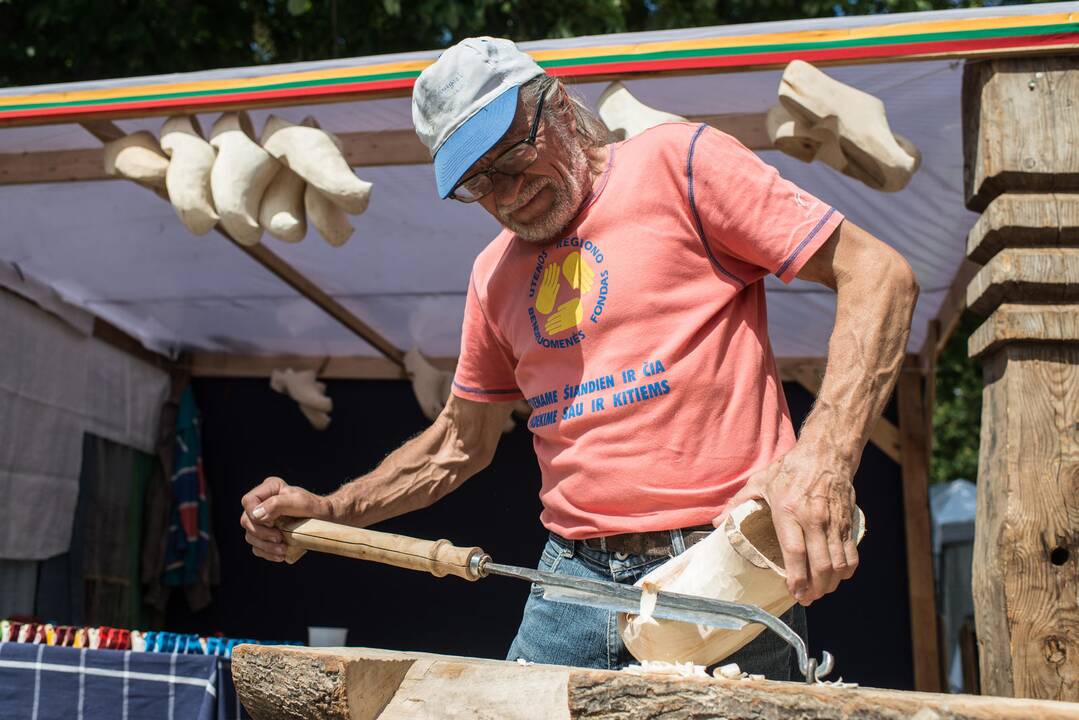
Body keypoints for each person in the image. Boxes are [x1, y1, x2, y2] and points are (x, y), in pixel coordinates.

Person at [240, 37, 918, 677]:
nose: (506, 196)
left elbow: (878, 273)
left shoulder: (679, 164)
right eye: (480, 184)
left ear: (556, 105)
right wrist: (332, 509)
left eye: (510, 160)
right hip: (569, 581)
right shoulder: (491, 274)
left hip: (719, 566)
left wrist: (822, 460)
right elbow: (456, 444)